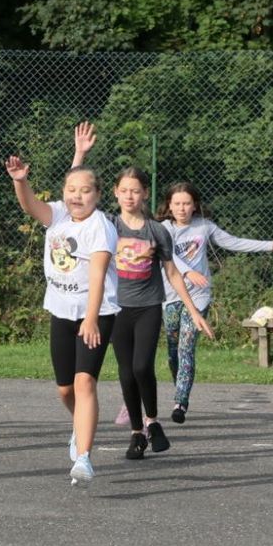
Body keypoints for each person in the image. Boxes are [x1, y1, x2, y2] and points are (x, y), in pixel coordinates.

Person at [71, 123, 213, 460]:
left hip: (149, 307)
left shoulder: (156, 231)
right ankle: (137, 432)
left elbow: (173, 273)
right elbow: (76, 193)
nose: (130, 196)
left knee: (140, 367)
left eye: (136, 191)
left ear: (145, 194)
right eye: (124, 190)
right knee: (124, 371)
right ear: (116, 194)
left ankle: (152, 420)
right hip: (116, 309)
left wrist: (194, 311)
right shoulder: (107, 224)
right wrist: (80, 154)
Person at [4, 154, 120, 486]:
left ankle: (83, 457)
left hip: (96, 314)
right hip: (61, 311)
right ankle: (80, 425)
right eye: (71, 189)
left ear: (97, 195)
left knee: (85, 383)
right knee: (65, 389)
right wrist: (19, 181)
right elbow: (30, 207)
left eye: (84, 190)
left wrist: (92, 318)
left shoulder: (101, 227)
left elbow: (97, 276)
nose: (77, 196)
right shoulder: (57, 216)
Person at [156, 181, 273, 422]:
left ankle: (180, 403)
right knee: (173, 352)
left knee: (187, 347)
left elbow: (234, 242)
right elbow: (168, 256)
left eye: (187, 203)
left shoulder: (204, 227)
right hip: (171, 296)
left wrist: (271, 246)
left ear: (195, 205)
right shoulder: (164, 228)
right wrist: (187, 272)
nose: (182, 208)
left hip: (199, 297)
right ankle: (180, 384)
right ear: (169, 205)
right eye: (176, 203)